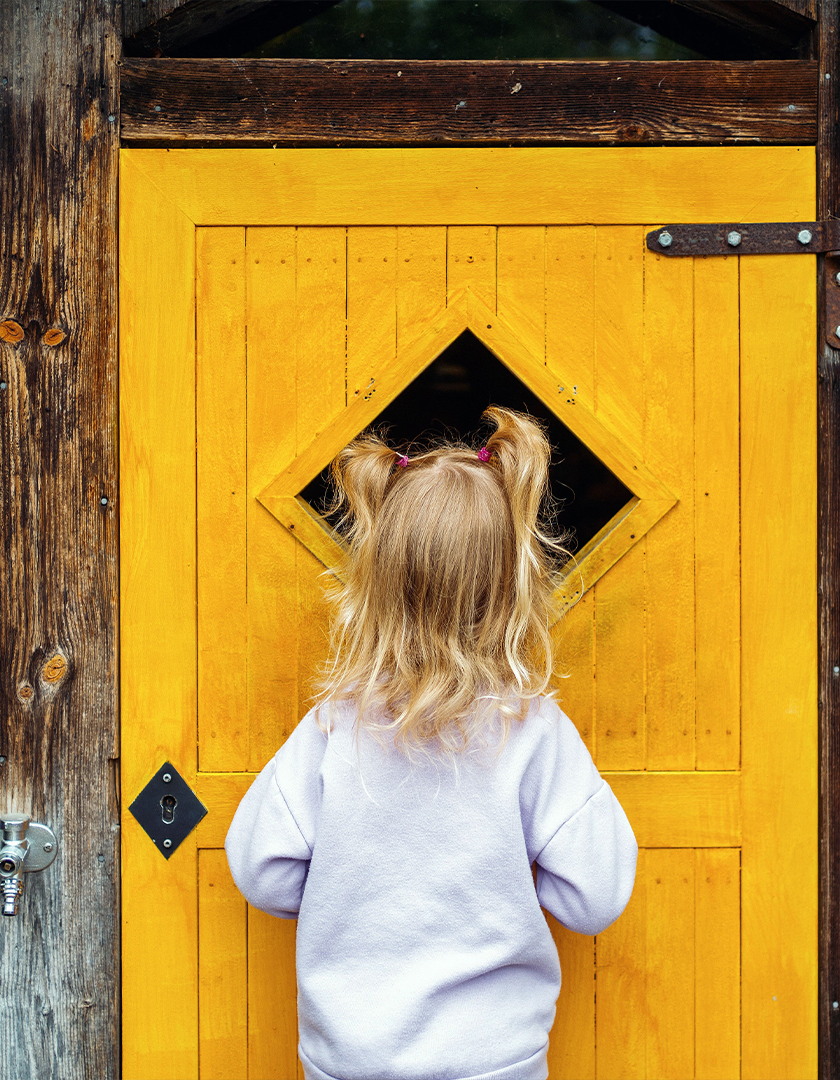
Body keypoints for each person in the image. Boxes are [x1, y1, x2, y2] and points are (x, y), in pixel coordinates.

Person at [225, 406, 638, 1080]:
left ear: (377, 578)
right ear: (514, 581)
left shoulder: (335, 727)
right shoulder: (532, 731)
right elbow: (596, 896)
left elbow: (259, 869)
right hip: (493, 1060)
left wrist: (347, 888)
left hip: (350, 1059)